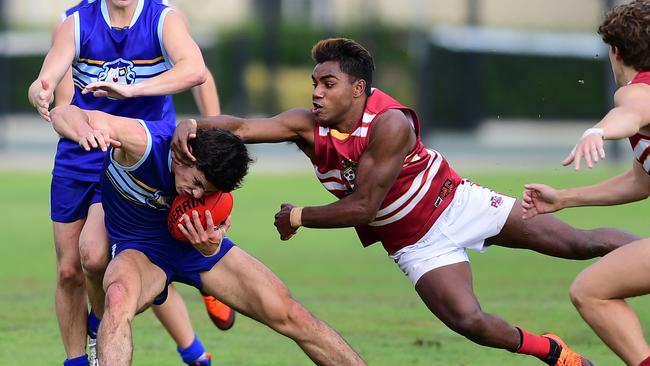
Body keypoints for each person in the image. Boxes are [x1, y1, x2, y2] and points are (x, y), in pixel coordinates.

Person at [171, 37, 642, 366]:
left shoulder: (391, 124)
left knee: (579, 245)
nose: (316, 92)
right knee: (469, 322)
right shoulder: (305, 124)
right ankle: (554, 351)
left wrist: (298, 215)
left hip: (458, 204)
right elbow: (244, 128)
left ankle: (644, 254)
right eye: (314, 82)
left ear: (357, 89)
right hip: (414, 244)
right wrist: (190, 125)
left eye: (327, 83)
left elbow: (364, 207)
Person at [47, 104, 367, 366]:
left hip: (195, 250)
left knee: (290, 313)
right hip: (141, 249)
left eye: (207, 191)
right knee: (116, 301)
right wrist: (84, 131)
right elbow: (66, 112)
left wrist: (212, 246)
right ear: (188, 153)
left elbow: (213, 228)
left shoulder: (211, 191)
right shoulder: (142, 144)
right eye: (197, 182)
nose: (197, 194)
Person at [28, 1, 229, 365]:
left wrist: (211, 130)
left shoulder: (163, 18)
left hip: (137, 160)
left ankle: (117, 324)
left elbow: (198, 71)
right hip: (81, 155)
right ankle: (184, 350)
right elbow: (56, 95)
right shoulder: (75, 23)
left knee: (100, 254)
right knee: (71, 268)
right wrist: (41, 93)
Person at [522, 2, 650, 365]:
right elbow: (641, 182)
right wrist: (564, 198)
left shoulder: (635, 90)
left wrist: (599, 130)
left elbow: (630, 112)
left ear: (616, 52)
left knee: (592, 291)